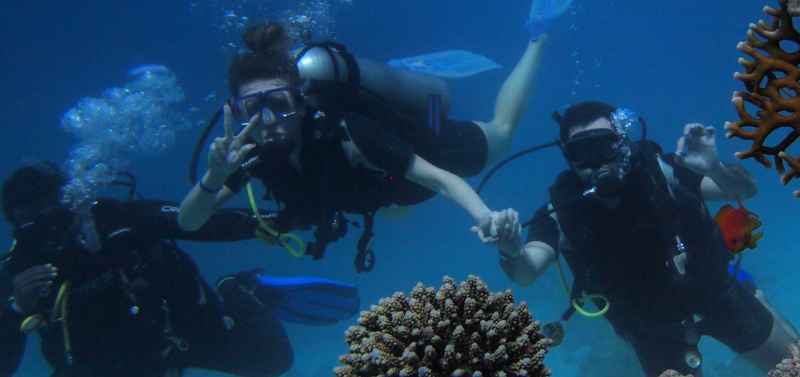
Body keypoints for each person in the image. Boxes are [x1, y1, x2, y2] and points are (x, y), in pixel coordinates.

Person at [178, 19, 549, 269]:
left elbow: (441, 180)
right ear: (236, 112)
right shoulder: (245, 156)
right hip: (386, 191)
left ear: (301, 99)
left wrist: (486, 218)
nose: (269, 121)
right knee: (393, 206)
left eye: (278, 104)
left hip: (424, 149)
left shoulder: (349, 131)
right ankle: (419, 85)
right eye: (252, 109)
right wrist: (214, 176)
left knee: (501, 132)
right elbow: (189, 221)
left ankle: (537, 38)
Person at [492, 101, 800, 376]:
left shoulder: (662, 172)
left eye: (604, 146)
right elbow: (526, 271)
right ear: (566, 156)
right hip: (650, 328)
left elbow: (744, 190)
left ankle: (752, 291)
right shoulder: (560, 210)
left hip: (716, 293)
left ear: (623, 142)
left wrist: (715, 168)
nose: (596, 161)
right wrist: (512, 251)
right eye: (580, 152)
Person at [0, 162, 359, 377]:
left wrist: (273, 222)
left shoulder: (113, 220)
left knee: (273, 360)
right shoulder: (15, 269)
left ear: (68, 199)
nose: (38, 221)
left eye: (46, 205)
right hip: (90, 369)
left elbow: (193, 222)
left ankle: (238, 290)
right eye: (23, 214)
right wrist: (15, 308)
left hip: (176, 342)